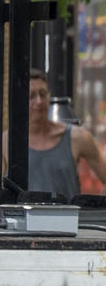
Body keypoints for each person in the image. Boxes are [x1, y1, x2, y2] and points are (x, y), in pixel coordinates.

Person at [23, 70, 104, 202]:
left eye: (43, 94)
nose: (39, 101)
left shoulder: (78, 137)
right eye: (31, 96)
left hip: (69, 220)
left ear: (49, 96)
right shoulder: (7, 143)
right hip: (23, 221)